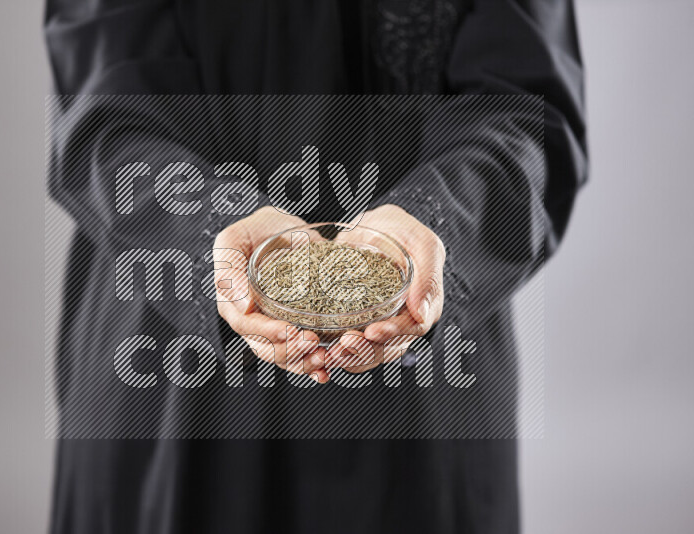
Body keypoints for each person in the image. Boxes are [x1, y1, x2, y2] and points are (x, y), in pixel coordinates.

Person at [45, 0, 586, 532]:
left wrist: (436, 219)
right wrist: (210, 229)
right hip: (168, 366)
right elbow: (103, 109)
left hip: (422, 364)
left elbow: (530, 112)